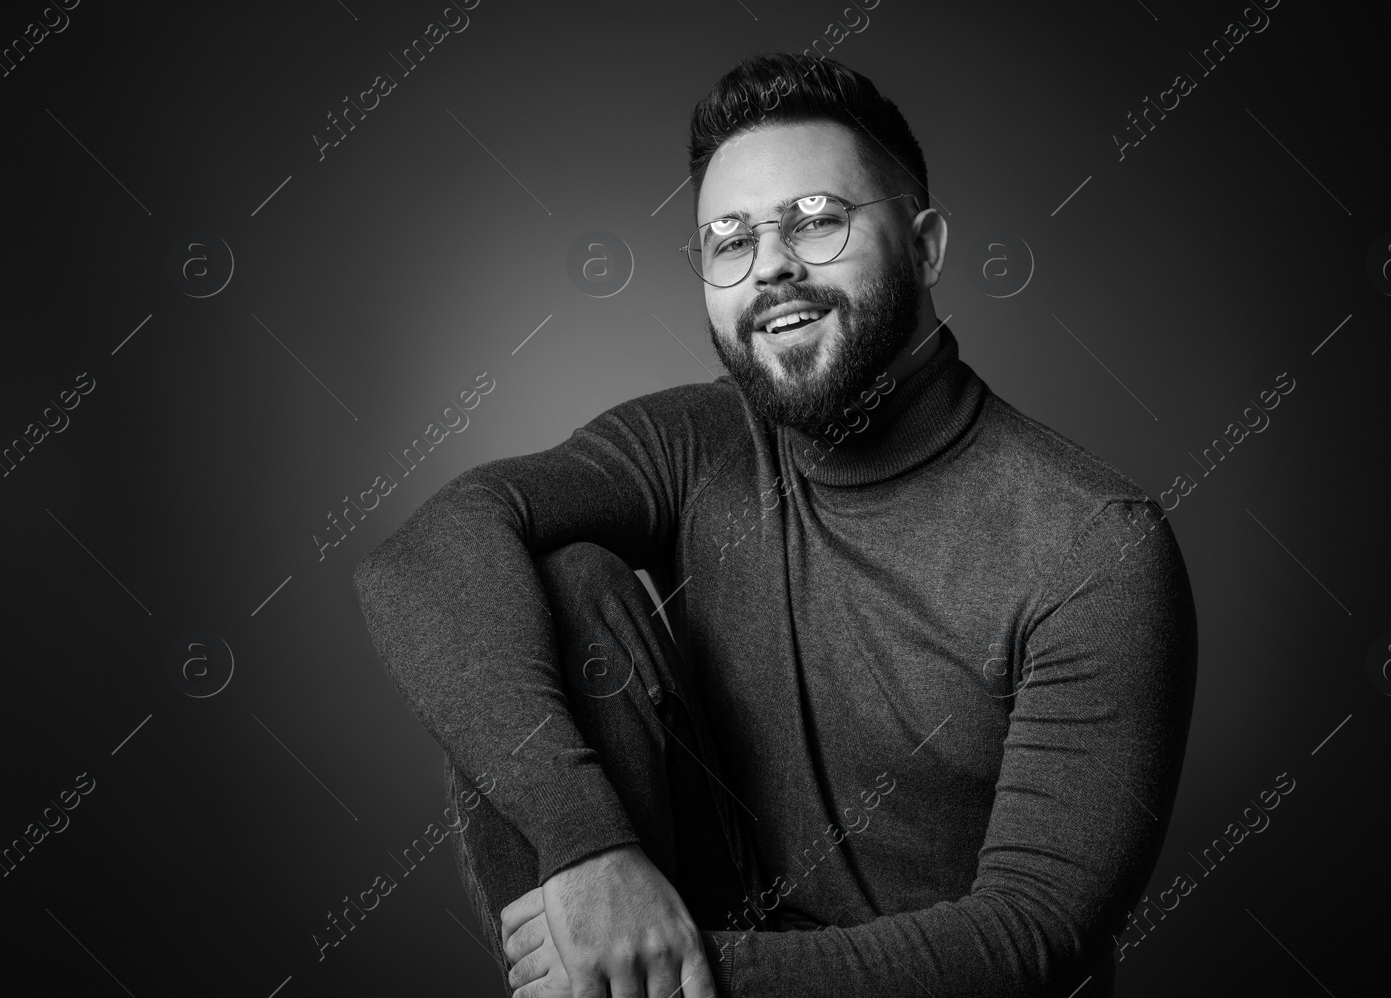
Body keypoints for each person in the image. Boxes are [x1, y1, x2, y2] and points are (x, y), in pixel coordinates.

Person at [354, 52, 1198, 998]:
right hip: (683, 946)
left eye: (819, 221)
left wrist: (674, 973)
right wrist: (585, 846)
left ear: (926, 247)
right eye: (728, 240)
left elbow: (1033, 937)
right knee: (553, 577)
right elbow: (424, 554)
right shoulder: (702, 440)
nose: (773, 267)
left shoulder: (1092, 544)